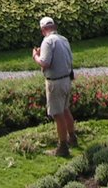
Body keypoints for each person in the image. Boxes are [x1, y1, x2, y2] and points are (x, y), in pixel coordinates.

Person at [32, 16, 76, 157]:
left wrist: (35, 57)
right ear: (54, 26)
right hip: (67, 79)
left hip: (55, 83)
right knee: (65, 109)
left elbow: (45, 63)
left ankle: (63, 147)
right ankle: (72, 137)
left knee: (58, 114)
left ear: (43, 29)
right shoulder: (63, 39)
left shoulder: (47, 41)